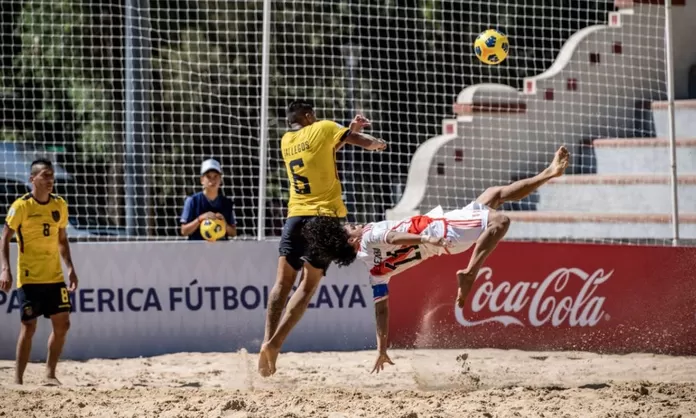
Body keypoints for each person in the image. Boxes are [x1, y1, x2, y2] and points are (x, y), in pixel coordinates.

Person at [302, 146, 570, 374]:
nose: (355, 224)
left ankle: (549, 173)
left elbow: (381, 310)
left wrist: (382, 348)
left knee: (494, 195)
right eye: (351, 227)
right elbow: (395, 238)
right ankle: (470, 273)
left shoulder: (373, 269)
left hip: (444, 235)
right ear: (351, 240)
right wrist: (425, 239)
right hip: (442, 232)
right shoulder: (371, 235)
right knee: (501, 220)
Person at [258, 100, 387, 377]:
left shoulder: (286, 141)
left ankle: (265, 340)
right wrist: (376, 143)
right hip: (323, 219)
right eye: (313, 114)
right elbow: (359, 141)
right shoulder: (324, 127)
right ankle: (275, 345)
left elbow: (324, 153)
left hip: (294, 217)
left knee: (282, 283)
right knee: (307, 287)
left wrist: (347, 131)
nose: (316, 117)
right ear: (307, 116)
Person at [0, 158, 79, 385]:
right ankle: (18, 380)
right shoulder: (21, 206)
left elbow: (62, 239)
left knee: (63, 324)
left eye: (51, 175)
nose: (50, 179)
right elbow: (5, 238)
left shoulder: (59, 204)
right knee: (29, 326)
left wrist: (71, 268)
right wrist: (5, 269)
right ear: (32, 179)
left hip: (54, 276)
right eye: (45, 175)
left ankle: (50, 375)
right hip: (29, 277)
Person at [180, 158, 237, 240]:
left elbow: (233, 233)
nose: (212, 180)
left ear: (220, 179)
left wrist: (224, 224)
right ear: (202, 180)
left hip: (220, 250)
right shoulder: (192, 201)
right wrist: (200, 219)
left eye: (215, 176)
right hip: (197, 250)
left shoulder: (227, 203)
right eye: (208, 176)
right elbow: (184, 231)